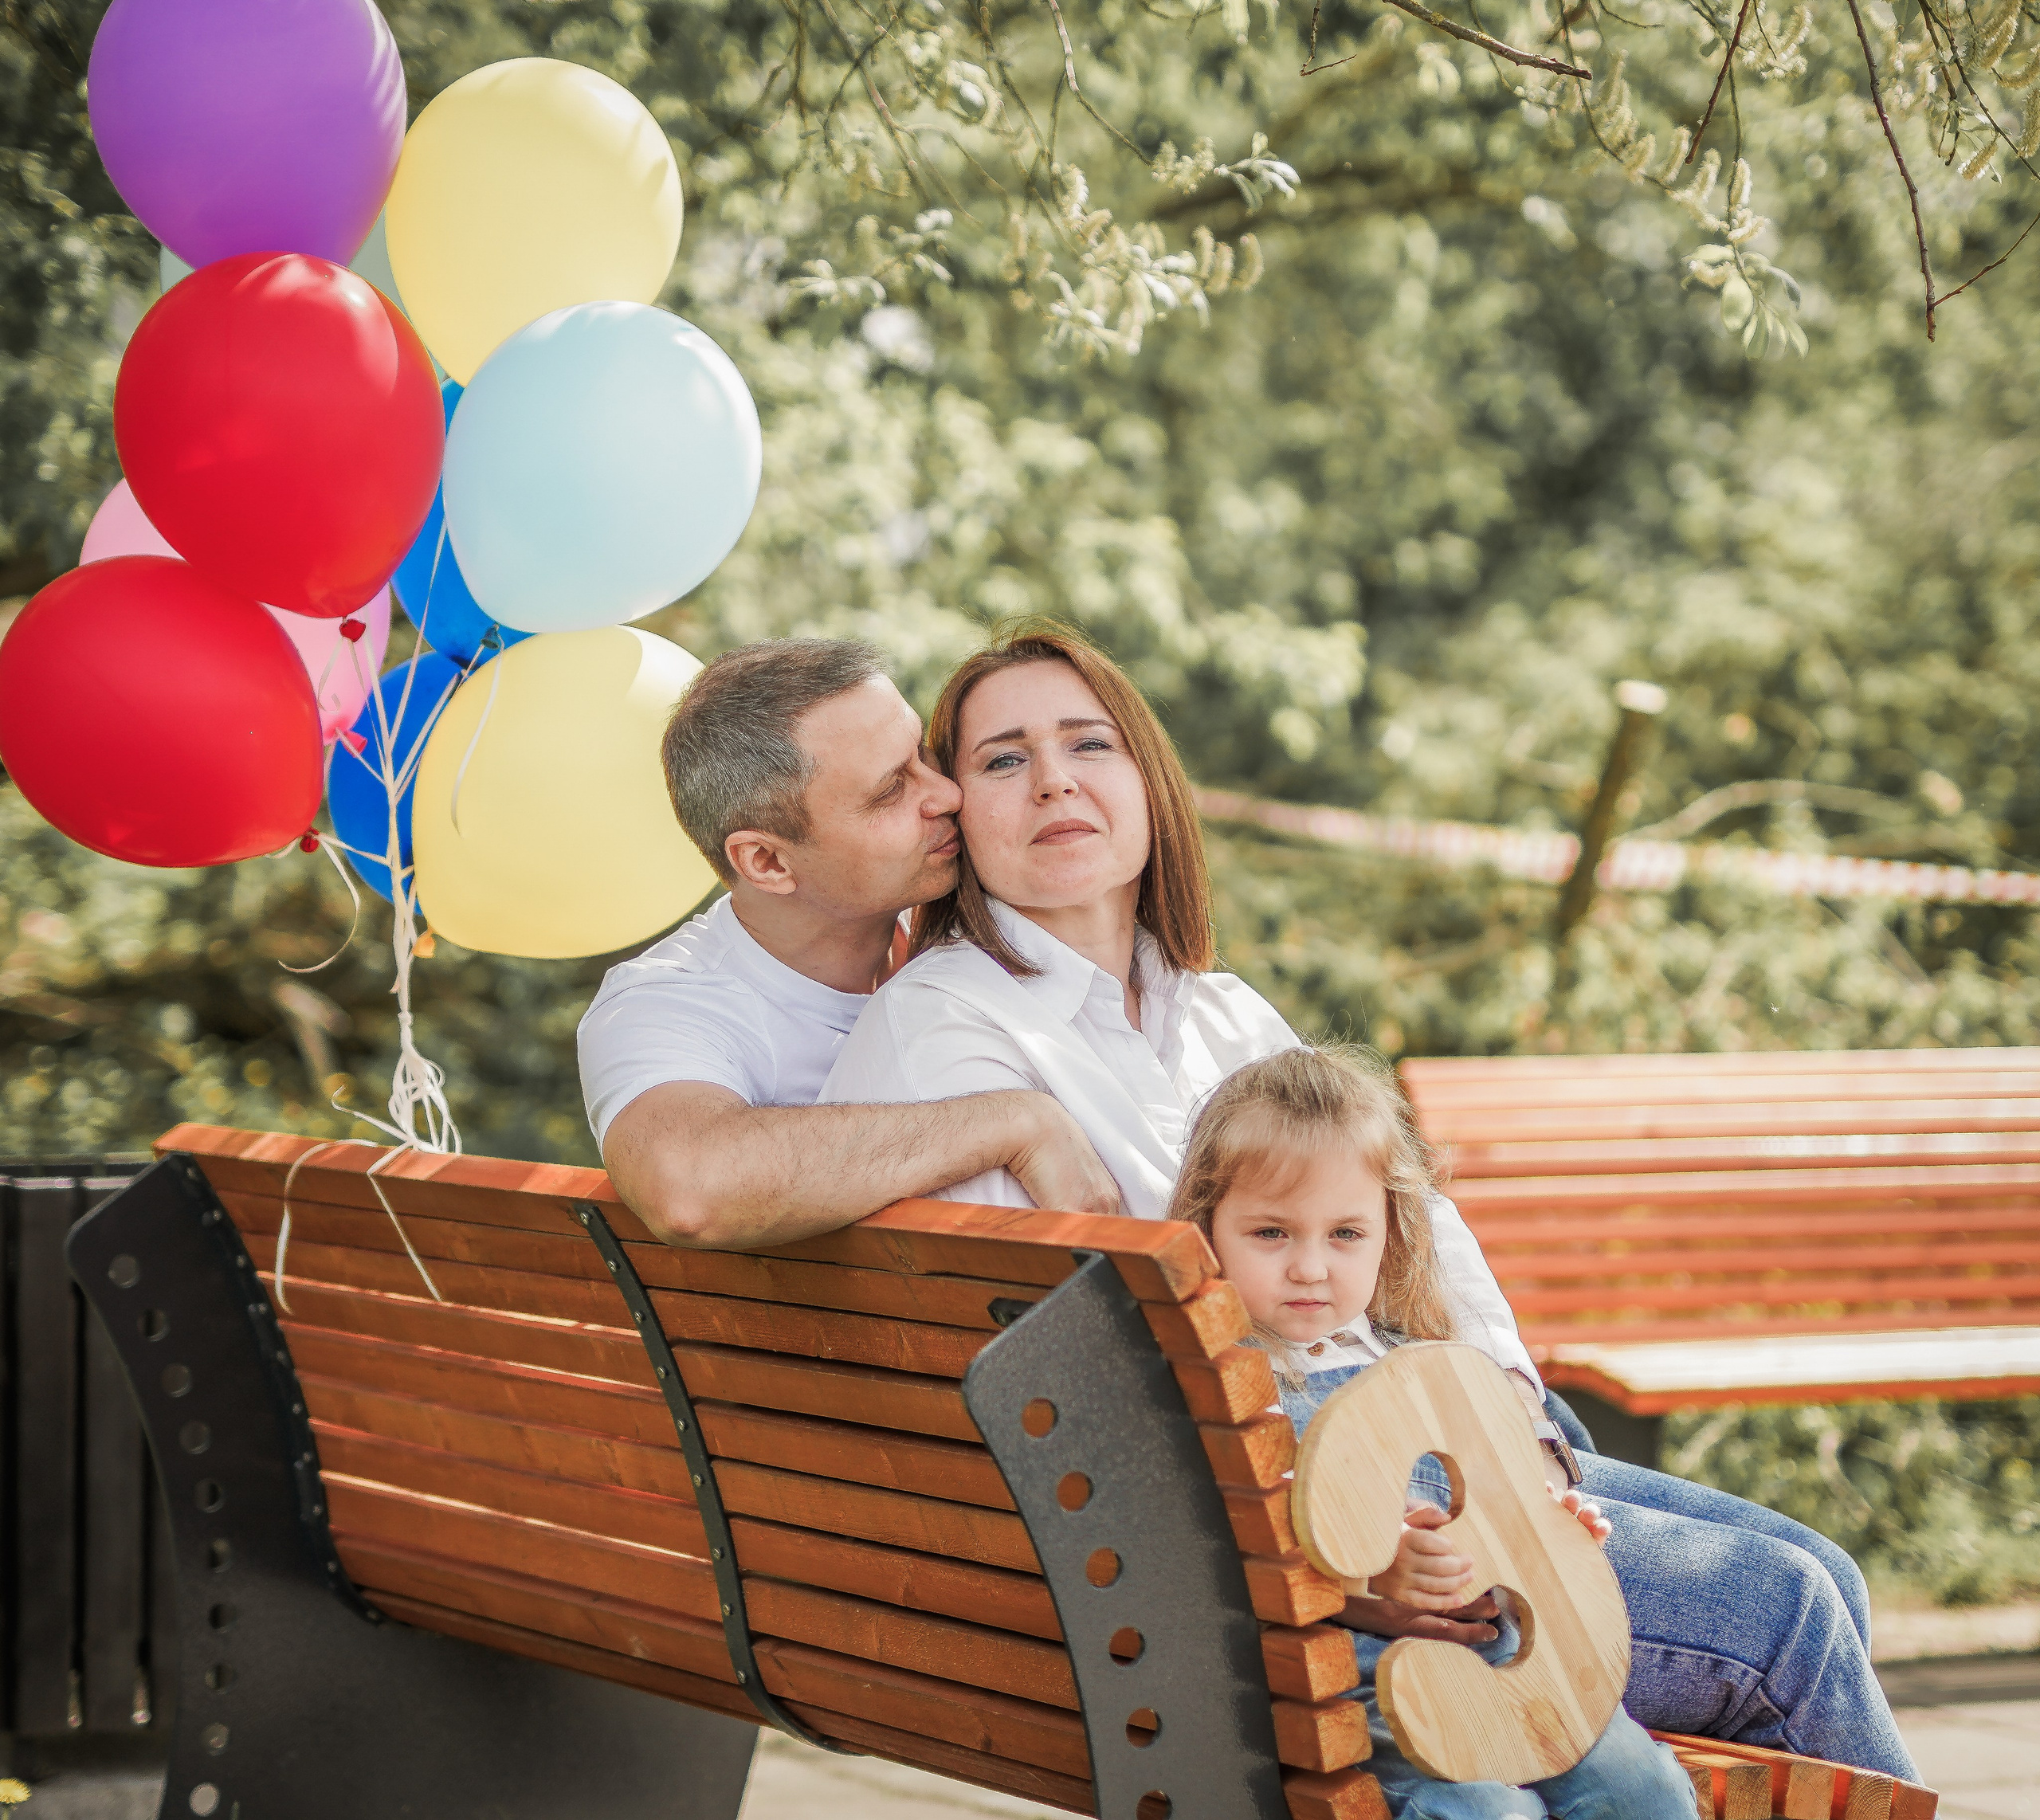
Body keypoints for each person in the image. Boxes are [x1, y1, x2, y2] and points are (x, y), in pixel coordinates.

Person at [814, 617, 1919, 1781]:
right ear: (958, 818)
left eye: (1089, 743)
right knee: (1787, 1616)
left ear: (1148, 782)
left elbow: (1416, 1227)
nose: (1053, 779)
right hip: (1263, 1508)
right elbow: (1066, 1379)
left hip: (1411, 1429)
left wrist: (1516, 1430)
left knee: (1825, 1577)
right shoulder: (950, 1028)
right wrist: (1395, 1514)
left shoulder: (1221, 1011)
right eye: (1003, 758)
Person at [1175, 1044, 1696, 1819]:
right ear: (1206, 1228)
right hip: (1345, 1675)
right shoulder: (1221, 1382)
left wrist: (1540, 1534)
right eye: (1272, 1233)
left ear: (1389, 1231)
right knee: (1491, 1813)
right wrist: (1368, 1577)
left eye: (1345, 1234)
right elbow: (1226, 1557)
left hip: (1506, 1649)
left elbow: (1499, 1506)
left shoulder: (1421, 1366)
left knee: (1643, 1787)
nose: (1311, 1267)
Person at [577, 637, 1122, 1251]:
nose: (946, 795)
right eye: (890, 791)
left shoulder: (990, 916)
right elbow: (689, 1189)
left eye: (924, 754)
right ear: (766, 861)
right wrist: (1016, 1122)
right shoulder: (664, 1005)